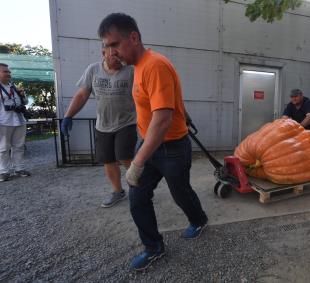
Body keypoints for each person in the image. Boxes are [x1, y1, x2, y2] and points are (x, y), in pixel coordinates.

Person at [98, 13, 208, 271]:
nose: (111, 52)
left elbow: (161, 120)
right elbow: (159, 105)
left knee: (180, 193)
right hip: (147, 143)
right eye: (106, 47)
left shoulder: (154, 65)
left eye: (114, 44)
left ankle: (199, 219)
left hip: (171, 148)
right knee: (137, 199)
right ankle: (153, 247)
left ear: (133, 37)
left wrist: (137, 161)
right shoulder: (137, 67)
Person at [60, 47, 137, 208]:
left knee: (125, 157)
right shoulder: (93, 69)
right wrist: (68, 115)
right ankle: (118, 191)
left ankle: (138, 190)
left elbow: (142, 94)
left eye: (120, 55)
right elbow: (82, 94)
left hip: (126, 122)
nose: (117, 58)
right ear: (104, 53)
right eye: (113, 54)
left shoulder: (131, 71)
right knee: (108, 160)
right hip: (102, 125)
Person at [0, 63, 31, 182]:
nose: (8, 74)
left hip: (19, 119)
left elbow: (26, 102)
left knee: (19, 146)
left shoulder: (13, 87)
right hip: (3, 121)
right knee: (3, 147)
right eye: (5, 72)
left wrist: (23, 96)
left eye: (9, 72)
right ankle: (3, 172)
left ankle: (19, 168)